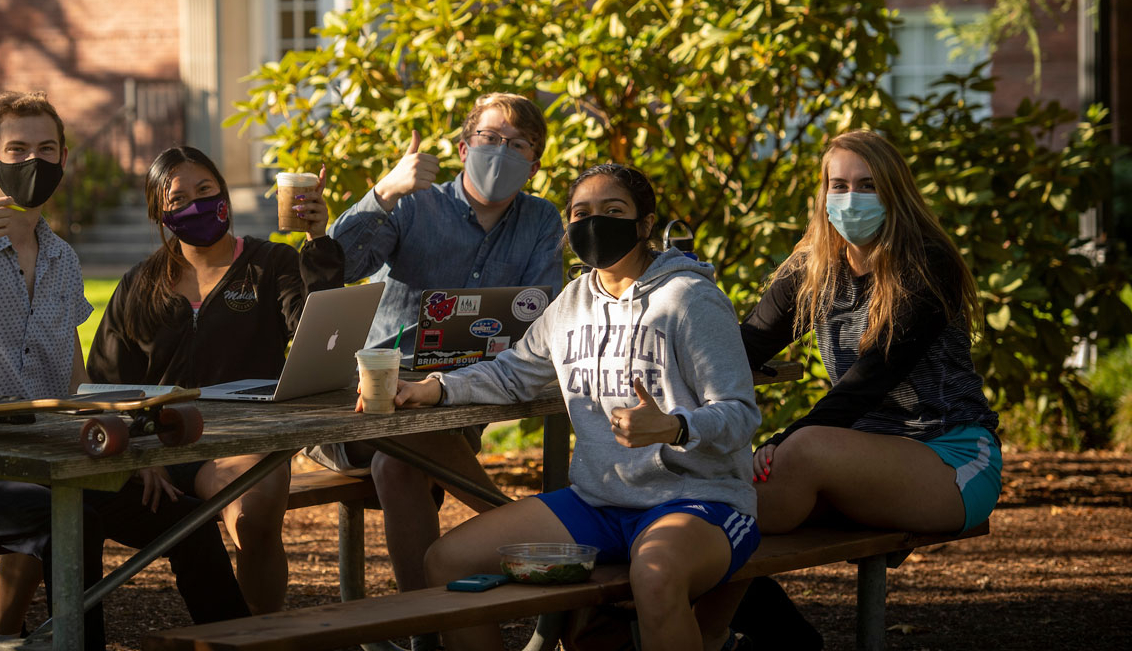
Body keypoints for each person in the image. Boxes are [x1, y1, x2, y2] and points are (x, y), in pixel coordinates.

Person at [0, 92, 249, 647]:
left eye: (46, 148)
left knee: (185, 517)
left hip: (48, 460)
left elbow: (71, 376)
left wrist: (127, 450)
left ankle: (239, 644)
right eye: (17, 149)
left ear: (63, 159)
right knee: (71, 517)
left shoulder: (62, 258)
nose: (32, 162)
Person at [391, 163, 761, 651]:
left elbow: (740, 413)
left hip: (698, 500)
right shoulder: (571, 303)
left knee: (655, 576)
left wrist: (673, 427)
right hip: (598, 503)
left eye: (613, 211)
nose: (594, 223)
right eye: (581, 213)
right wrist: (434, 387)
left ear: (645, 224)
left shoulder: (690, 299)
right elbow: (512, 373)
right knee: (447, 562)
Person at [700, 130, 1002, 651]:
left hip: (949, 457)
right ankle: (762, 637)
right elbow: (743, 347)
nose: (849, 198)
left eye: (867, 185)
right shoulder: (813, 266)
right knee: (713, 499)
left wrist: (783, 440)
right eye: (837, 185)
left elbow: (868, 382)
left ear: (895, 192)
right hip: (854, 458)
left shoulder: (926, 264)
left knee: (782, 465)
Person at [322, 92, 565, 602]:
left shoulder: (541, 221)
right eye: (490, 138)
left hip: (463, 397)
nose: (502, 151)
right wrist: (385, 190)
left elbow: (541, 318)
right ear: (462, 147)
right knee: (396, 457)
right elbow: (334, 267)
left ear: (535, 164)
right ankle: (511, 523)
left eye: (519, 144)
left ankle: (424, 626)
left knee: (401, 460)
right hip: (371, 395)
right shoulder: (414, 201)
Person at [85, 145, 343, 614]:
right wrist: (137, 456)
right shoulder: (139, 283)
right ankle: (227, 628)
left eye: (205, 190)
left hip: (242, 444)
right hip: (156, 446)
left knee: (253, 516)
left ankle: (257, 635)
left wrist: (317, 243)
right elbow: (106, 383)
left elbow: (319, 338)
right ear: (159, 214)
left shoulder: (271, 264)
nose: (196, 205)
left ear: (224, 192)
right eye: (178, 199)